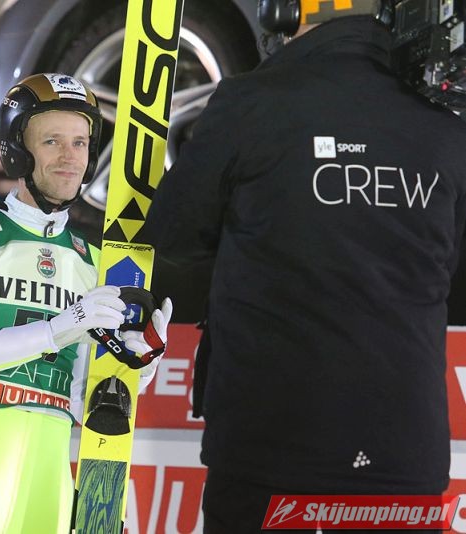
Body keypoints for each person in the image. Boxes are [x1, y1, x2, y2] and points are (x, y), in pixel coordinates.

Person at [144, 1, 466, 532]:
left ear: (288, 12)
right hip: (403, 457)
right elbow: (450, 268)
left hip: (269, 453)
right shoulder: (446, 129)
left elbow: (172, 235)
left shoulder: (251, 104)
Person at [0, 73, 172, 534]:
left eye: (80, 143)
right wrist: (55, 330)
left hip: (47, 478)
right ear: (17, 152)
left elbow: (82, 399)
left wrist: (136, 367)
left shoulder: (95, 262)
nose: (70, 156)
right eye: (52, 141)